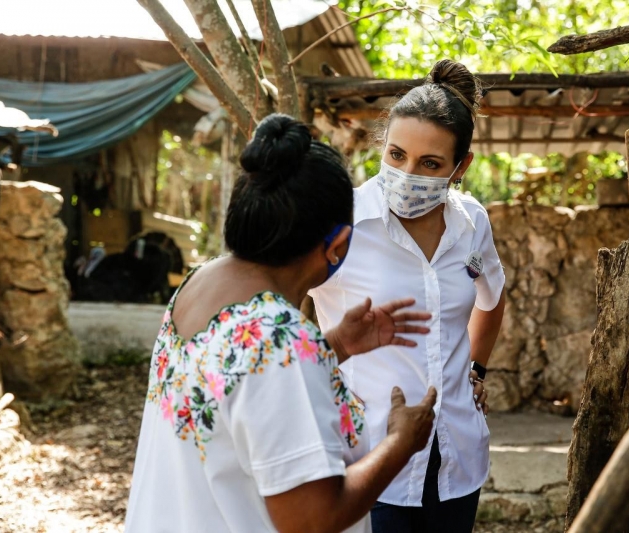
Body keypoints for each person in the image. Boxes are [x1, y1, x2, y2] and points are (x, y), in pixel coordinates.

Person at [124, 114, 439, 533]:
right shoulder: (281, 341)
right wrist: (402, 442)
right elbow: (311, 519)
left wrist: (335, 344)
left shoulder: (201, 283)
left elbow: (238, 384)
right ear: (338, 245)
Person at [310, 59, 507, 533]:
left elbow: (492, 296)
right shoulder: (342, 224)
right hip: (370, 460)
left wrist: (477, 368)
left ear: (461, 168)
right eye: (396, 155)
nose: (407, 173)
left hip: (457, 455)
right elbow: (283, 313)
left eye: (430, 163)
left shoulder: (472, 223)